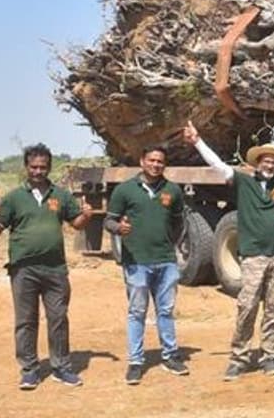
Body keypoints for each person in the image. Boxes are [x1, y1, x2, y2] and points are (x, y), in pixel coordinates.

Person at [182, 122, 274, 380]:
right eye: (266, 161)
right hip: (253, 256)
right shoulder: (244, 182)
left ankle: (269, 357)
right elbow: (218, 165)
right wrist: (197, 141)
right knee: (247, 307)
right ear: (257, 163)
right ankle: (239, 358)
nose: (270, 165)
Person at [0, 143, 92, 390]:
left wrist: (86, 216)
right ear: (26, 167)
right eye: (33, 167)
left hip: (55, 269)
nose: (38, 171)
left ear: (49, 168)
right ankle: (30, 370)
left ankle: (61, 367)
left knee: (58, 318)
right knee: (26, 321)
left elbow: (76, 223)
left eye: (43, 167)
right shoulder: (13, 198)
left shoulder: (61, 195)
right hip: (23, 269)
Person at [104, 145, 189, 385]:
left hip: (166, 261)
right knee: (137, 312)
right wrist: (119, 228)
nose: (155, 165)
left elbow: (178, 223)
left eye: (160, 161)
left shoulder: (172, 190)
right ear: (142, 161)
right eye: (151, 160)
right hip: (136, 261)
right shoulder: (125, 190)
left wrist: (168, 245)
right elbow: (109, 221)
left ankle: (170, 356)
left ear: (165, 164)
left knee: (166, 310)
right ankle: (136, 362)